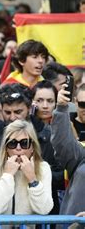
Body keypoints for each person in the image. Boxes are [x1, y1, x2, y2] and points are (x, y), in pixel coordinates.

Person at [0, 120, 53, 220]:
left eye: (24, 143)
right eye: (12, 143)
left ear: (32, 147)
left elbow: (44, 209)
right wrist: (7, 175)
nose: (18, 148)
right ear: (6, 148)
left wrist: (32, 179)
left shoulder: (43, 168)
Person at [51, 84, 85, 215]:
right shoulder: (81, 155)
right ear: (76, 102)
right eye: (83, 104)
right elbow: (62, 146)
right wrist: (61, 108)